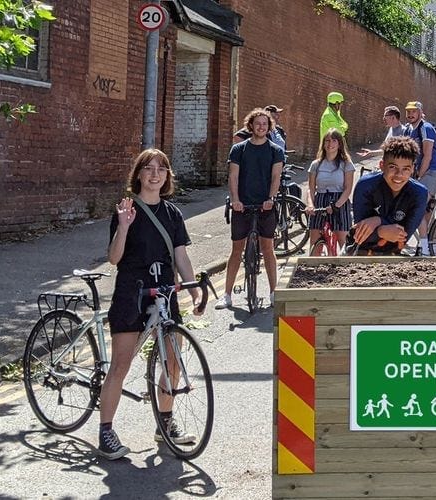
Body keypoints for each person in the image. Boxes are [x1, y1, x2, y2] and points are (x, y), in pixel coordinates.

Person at [101, 148, 204, 459]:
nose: (155, 174)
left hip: (164, 292)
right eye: (148, 168)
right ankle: (106, 431)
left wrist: (193, 290)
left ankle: (165, 424)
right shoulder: (127, 209)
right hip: (132, 293)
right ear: (139, 174)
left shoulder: (173, 214)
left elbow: (181, 257)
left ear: (167, 176)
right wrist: (123, 226)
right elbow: (114, 258)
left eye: (161, 168)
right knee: (121, 364)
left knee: (173, 361)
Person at [219, 109, 285, 309]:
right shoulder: (239, 149)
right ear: (251, 126)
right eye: (258, 123)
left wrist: (271, 198)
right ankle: (226, 294)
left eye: (265, 124)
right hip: (242, 205)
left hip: (266, 205)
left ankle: (273, 292)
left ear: (269, 126)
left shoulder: (275, 150)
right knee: (236, 250)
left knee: (268, 249)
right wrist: (236, 200)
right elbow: (233, 176)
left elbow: (276, 177)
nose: (261, 127)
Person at [351, 136, 430, 255]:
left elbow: (403, 236)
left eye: (406, 169)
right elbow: (359, 233)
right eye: (393, 167)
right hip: (358, 253)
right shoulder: (365, 186)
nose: (399, 175)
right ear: (382, 165)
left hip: (393, 256)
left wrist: (377, 221)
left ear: (413, 169)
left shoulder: (419, 193)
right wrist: (382, 231)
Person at [304, 128, 357, 255]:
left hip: (339, 202)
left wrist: (336, 206)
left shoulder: (346, 164)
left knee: (344, 242)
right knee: (315, 243)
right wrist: (310, 205)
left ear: (339, 144)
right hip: (321, 200)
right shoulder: (316, 164)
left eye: (334, 141)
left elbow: (348, 189)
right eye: (327, 140)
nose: (330, 144)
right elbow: (311, 188)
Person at [405, 100, 436, 255]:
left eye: (414, 111)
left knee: (417, 207)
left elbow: (427, 156)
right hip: (420, 172)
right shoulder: (408, 130)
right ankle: (432, 245)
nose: (410, 114)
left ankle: (424, 248)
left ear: (420, 113)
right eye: (408, 111)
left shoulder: (426, 128)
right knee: (427, 210)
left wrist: (417, 177)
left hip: (432, 171)